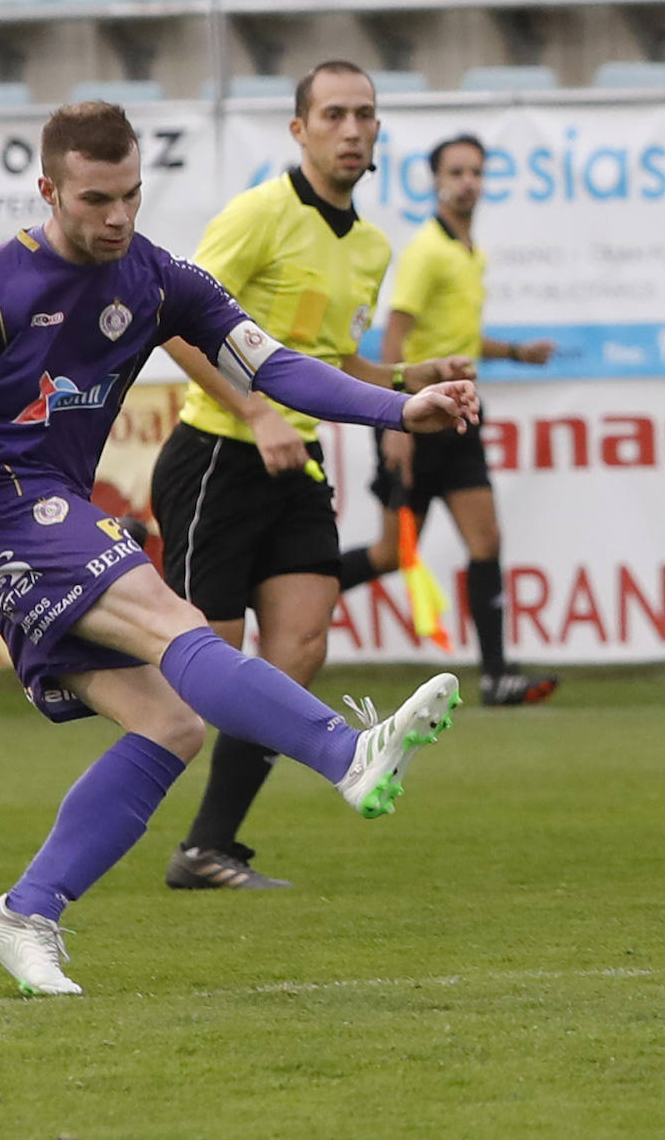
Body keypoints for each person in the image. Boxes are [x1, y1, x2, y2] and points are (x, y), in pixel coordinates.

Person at [0, 100, 476, 997]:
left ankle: (21, 911)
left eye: (130, 196)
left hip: (56, 511)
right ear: (49, 190)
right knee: (174, 619)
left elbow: (268, 363)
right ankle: (346, 756)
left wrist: (399, 408)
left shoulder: (156, 277)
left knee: (170, 723)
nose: (117, 217)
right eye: (95, 200)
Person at [150, 61, 472, 892]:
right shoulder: (260, 214)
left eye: (365, 114)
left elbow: (330, 357)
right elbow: (175, 325)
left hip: (298, 466)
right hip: (218, 456)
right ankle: (98, 833)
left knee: (297, 649)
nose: (353, 128)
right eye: (334, 114)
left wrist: (407, 379)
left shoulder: (370, 246)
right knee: (205, 685)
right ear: (299, 130)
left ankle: (208, 847)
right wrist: (254, 413)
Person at [338, 133, 560, 708]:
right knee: (390, 555)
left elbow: (459, 335)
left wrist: (514, 353)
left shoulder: (469, 251)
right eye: (457, 172)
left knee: (486, 540)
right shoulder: (427, 251)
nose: (468, 182)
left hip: (460, 416)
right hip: (415, 416)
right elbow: (395, 336)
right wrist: (394, 423)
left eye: (476, 172)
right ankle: (291, 590)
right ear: (436, 181)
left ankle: (496, 676)